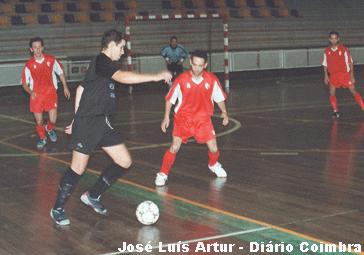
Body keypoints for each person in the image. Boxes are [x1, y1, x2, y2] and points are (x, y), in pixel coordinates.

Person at [50, 29, 172, 226]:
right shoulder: (102, 61)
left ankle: (93, 195)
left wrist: (74, 119)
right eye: (121, 47)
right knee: (78, 168)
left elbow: (82, 88)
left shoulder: (103, 66)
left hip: (103, 122)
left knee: (124, 161)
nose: (123, 52)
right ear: (113, 44)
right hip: (89, 122)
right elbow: (123, 77)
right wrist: (156, 76)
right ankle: (57, 208)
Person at [155, 50, 229, 187]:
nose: (197, 68)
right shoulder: (181, 79)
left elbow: (219, 98)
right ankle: (162, 174)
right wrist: (166, 117)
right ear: (190, 63)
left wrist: (224, 112)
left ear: (205, 65)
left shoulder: (212, 80)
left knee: (213, 148)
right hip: (183, 119)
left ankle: (213, 164)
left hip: (203, 120)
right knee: (175, 147)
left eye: (200, 65)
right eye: (194, 65)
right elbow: (170, 100)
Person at [21, 37, 70, 149]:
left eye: (39, 47)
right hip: (36, 96)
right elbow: (24, 83)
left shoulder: (51, 60)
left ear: (42, 47)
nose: (37, 49)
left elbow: (61, 73)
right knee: (39, 121)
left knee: (53, 119)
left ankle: (49, 128)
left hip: (50, 93)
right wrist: (31, 92)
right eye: (35, 47)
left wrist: (65, 87)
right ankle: (43, 138)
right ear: (31, 49)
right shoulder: (28, 65)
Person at [322, 31, 364, 118]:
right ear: (329, 39)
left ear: (338, 39)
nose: (333, 40)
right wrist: (326, 75)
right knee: (332, 93)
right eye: (332, 38)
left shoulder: (344, 49)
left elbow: (350, 62)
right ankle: (335, 111)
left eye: (335, 38)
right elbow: (325, 64)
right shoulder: (326, 51)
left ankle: (363, 107)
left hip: (344, 74)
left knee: (353, 91)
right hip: (333, 75)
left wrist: (352, 75)